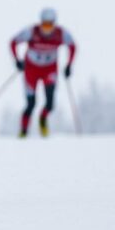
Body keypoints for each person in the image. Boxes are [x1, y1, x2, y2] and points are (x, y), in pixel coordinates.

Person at [10, 7, 76, 137]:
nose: (47, 28)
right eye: (44, 24)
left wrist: (69, 65)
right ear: (40, 22)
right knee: (31, 104)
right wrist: (17, 60)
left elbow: (73, 46)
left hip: (49, 70)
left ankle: (43, 119)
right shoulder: (31, 32)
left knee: (50, 103)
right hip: (31, 71)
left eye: (50, 24)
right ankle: (23, 131)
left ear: (54, 23)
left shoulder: (60, 34)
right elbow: (13, 42)